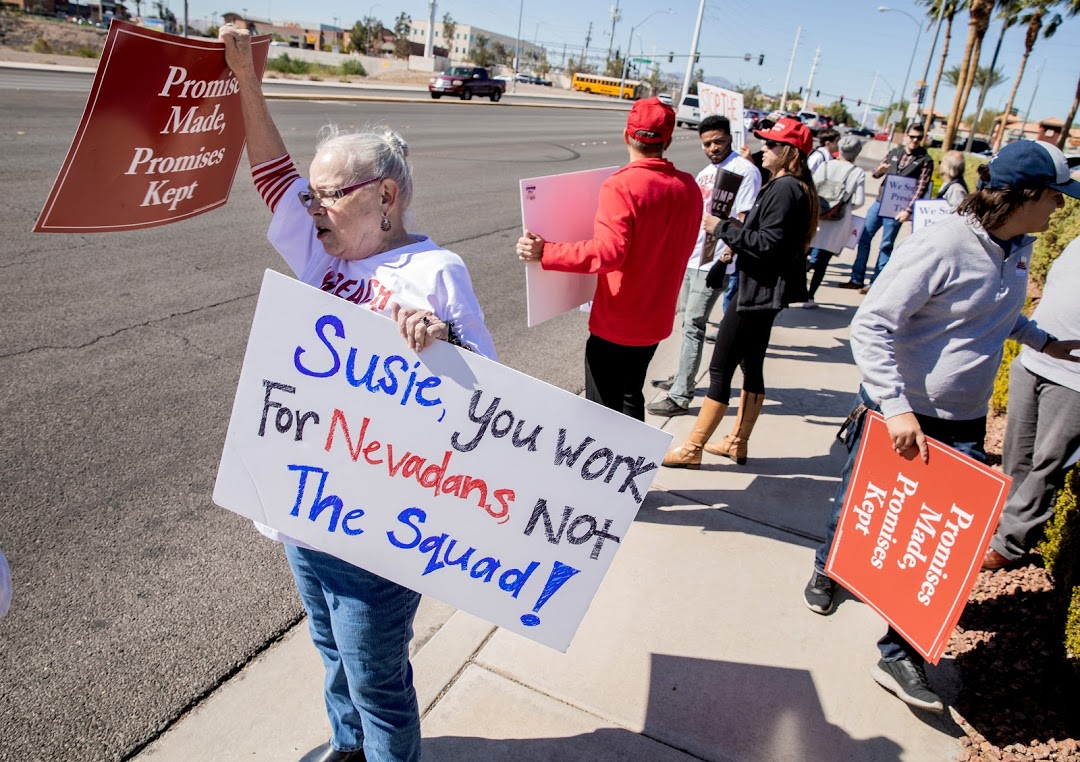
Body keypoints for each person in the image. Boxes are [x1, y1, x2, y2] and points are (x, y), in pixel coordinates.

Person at [221, 25, 497, 762]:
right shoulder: (319, 253)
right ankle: (349, 749)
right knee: (331, 655)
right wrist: (247, 77)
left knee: (377, 678)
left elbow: (489, 403)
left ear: (384, 195)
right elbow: (271, 175)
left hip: (381, 534)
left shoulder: (437, 272)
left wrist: (443, 342)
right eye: (310, 198)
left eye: (327, 197)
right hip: (308, 515)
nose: (311, 210)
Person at [803, 139, 1080, 714]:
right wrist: (896, 408)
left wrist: (1042, 340)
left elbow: (993, 313)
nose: (1060, 209)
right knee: (862, 509)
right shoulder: (945, 243)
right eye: (1055, 198)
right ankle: (830, 569)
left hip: (964, 420)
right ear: (1023, 195)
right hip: (899, 410)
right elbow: (872, 325)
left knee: (940, 544)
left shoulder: (1018, 246)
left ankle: (899, 653)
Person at [516, 98, 700, 421]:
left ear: (626, 135)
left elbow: (607, 254)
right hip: (655, 322)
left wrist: (546, 252)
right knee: (631, 399)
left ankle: (606, 471)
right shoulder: (689, 188)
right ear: (668, 141)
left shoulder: (622, 186)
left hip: (617, 324)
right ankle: (635, 469)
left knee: (602, 417)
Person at [662, 117, 818, 468]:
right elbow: (764, 236)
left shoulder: (784, 189)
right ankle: (736, 441)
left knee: (720, 368)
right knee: (752, 365)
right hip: (764, 291)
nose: (765, 149)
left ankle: (692, 448)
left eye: (772, 145)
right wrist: (731, 247)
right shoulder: (790, 187)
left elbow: (768, 244)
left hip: (757, 292)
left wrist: (723, 229)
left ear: (789, 152)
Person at [647, 115, 762, 417]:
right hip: (691, 255)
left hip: (716, 260)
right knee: (685, 320)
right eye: (707, 144)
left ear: (730, 138)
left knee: (694, 325)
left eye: (719, 142)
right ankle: (680, 377)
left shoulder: (744, 171)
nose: (713, 148)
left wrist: (728, 255)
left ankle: (681, 395)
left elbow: (744, 219)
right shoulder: (705, 172)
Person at [984, 236, 1080, 570]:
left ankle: (1011, 544)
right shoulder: (1076, 243)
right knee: (1017, 452)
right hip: (1035, 359)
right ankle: (1008, 520)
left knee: (1048, 461)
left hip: (1075, 380)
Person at [840, 123, 933, 292]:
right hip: (880, 202)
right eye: (912, 136)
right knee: (864, 238)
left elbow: (921, 187)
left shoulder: (924, 160)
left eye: (919, 138)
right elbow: (876, 173)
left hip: (898, 208)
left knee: (886, 245)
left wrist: (909, 210)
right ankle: (856, 278)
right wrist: (879, 170)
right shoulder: (894, 153)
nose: (914, 140)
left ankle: (875, 284)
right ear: (906, 136)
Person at [803, 135, 866, 308]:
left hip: (816, 218)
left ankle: (796, 290)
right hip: (838, 222)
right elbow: (859, 201)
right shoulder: (857, 173)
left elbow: (811, 188)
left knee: (805, 254)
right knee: (823, 262)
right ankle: (809, 297)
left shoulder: (825, 165)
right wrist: (844, 207)